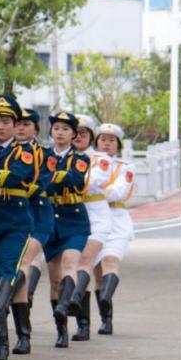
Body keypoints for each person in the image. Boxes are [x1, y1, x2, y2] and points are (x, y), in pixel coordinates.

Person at [0, 94, 37, 360]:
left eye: (6, 122)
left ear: (14, 125)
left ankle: (11, 327)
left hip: (15, 221)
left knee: (6, 269)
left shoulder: (25, 152)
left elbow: (16, 175)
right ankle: (0, 340)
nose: (0, 127)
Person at [42, 111, 92, 348]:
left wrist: (50, 177)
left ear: (73, 134)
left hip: (74, 219)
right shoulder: (43, 156)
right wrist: (51, 177)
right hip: (50, 219)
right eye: (56, 128)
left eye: (65, 129)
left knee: (71, 264)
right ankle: (61, 329)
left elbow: (74, 178)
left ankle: (66, 306)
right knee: (54, 280)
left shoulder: (80, 158)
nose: (60, 133)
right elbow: (38, 179)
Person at [67, 115, 112, 341]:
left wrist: (66, 178)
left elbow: (92, 181)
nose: (79, 137)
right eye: (75, 133)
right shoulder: (63, 157)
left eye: (84, 133)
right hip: (73, 214)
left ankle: (77, 300)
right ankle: (82, 324)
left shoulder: (101, 159)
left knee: (86, 261)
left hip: (96, 216)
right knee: (77, 265)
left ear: (91, 136)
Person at [13, 107, 53, 354]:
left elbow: (43, 182)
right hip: (8, 214)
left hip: (37, 214)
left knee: (24, 260)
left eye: (26, 124)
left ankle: (23, 333)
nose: (20, 127)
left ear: (36, 129)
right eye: (17, 123)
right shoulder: (1, 151)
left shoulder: (45, 154)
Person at [93, 122, 134, 335]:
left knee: (111, 260)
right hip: (94, 219)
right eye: (103, 139)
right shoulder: (88, 163)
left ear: (118, 144)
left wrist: (94, 190)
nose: (106, 143)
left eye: (111, 140)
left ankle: (106, 297)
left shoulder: (124, 167)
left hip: (116, 220)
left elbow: (119, 192)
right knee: (98, 273)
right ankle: (105, 319)